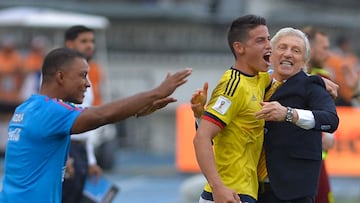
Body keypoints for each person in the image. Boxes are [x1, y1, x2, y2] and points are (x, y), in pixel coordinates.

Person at [0, 47, 192, 203]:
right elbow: (101, 116)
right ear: (60, 77)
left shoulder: (27, 108)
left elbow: (36, 150)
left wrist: (135, 111)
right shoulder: (51, 111)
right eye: (83, 75)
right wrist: (156, 93)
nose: (88, 84)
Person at [193, 14, 272, 203]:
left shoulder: (259, 78)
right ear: (239, 47)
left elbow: (284, 74)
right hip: (228, 194)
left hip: (246, 191)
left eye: (269, 38)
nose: (269, 45)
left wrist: (318, 82)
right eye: (260, 40)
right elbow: (201, 138)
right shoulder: (233, 86)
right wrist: (218, 188)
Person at [255, 27, 339, 203]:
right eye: (282, 47)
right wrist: (200, 116)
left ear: (304, 61)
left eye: (296, 50)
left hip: (294, 193)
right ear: (271, 53)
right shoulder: (254, 84)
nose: (288, 54)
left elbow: (331, 120)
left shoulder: (312, 87)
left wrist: (288, 114)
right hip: (251, 190)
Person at [61, 25, 104, 203]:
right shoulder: (60, 76)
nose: (90, 46)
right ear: (70, 44)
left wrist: (91, 160)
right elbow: (58, 118)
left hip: (81, 149)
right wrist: (65, 156)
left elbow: (86, 122)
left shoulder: (86, 78)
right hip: (68, 149)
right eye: (84, 41)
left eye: (92, 41)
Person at [303, 26, 335, 203]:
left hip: (318, 161)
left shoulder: (326, 79)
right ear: (311, 48)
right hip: (294, 161)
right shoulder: (285, 79)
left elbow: (331, 119)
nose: (328, 54)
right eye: (325, 48)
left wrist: (330, 135)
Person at [325, 34, 360, 106]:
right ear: (344, 44)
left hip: (344, 93)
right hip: (342, 93)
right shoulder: (336, 59)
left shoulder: (349, 58)